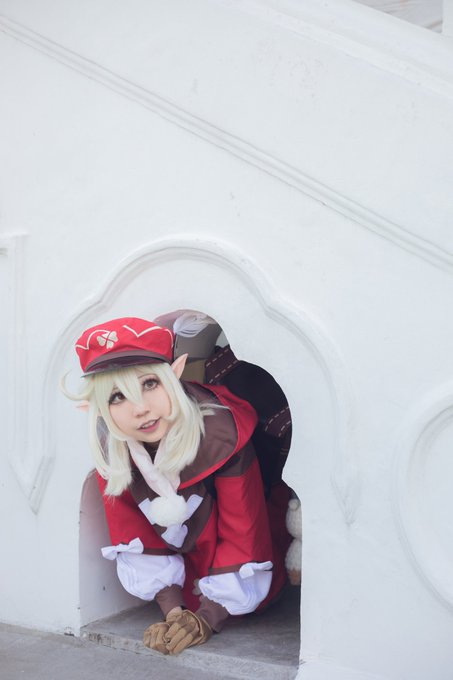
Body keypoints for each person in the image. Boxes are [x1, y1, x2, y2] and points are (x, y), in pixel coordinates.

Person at [66, 316, 288, 655]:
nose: (140, 409)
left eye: (150, 384)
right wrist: (173, 611)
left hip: (245, 578)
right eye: (117, 397)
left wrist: (208, 617)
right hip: (187, 588)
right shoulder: (115, 452)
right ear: (97, 409)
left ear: (175, 374)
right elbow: (133, 531)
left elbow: (244, 531)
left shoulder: (223, 437)